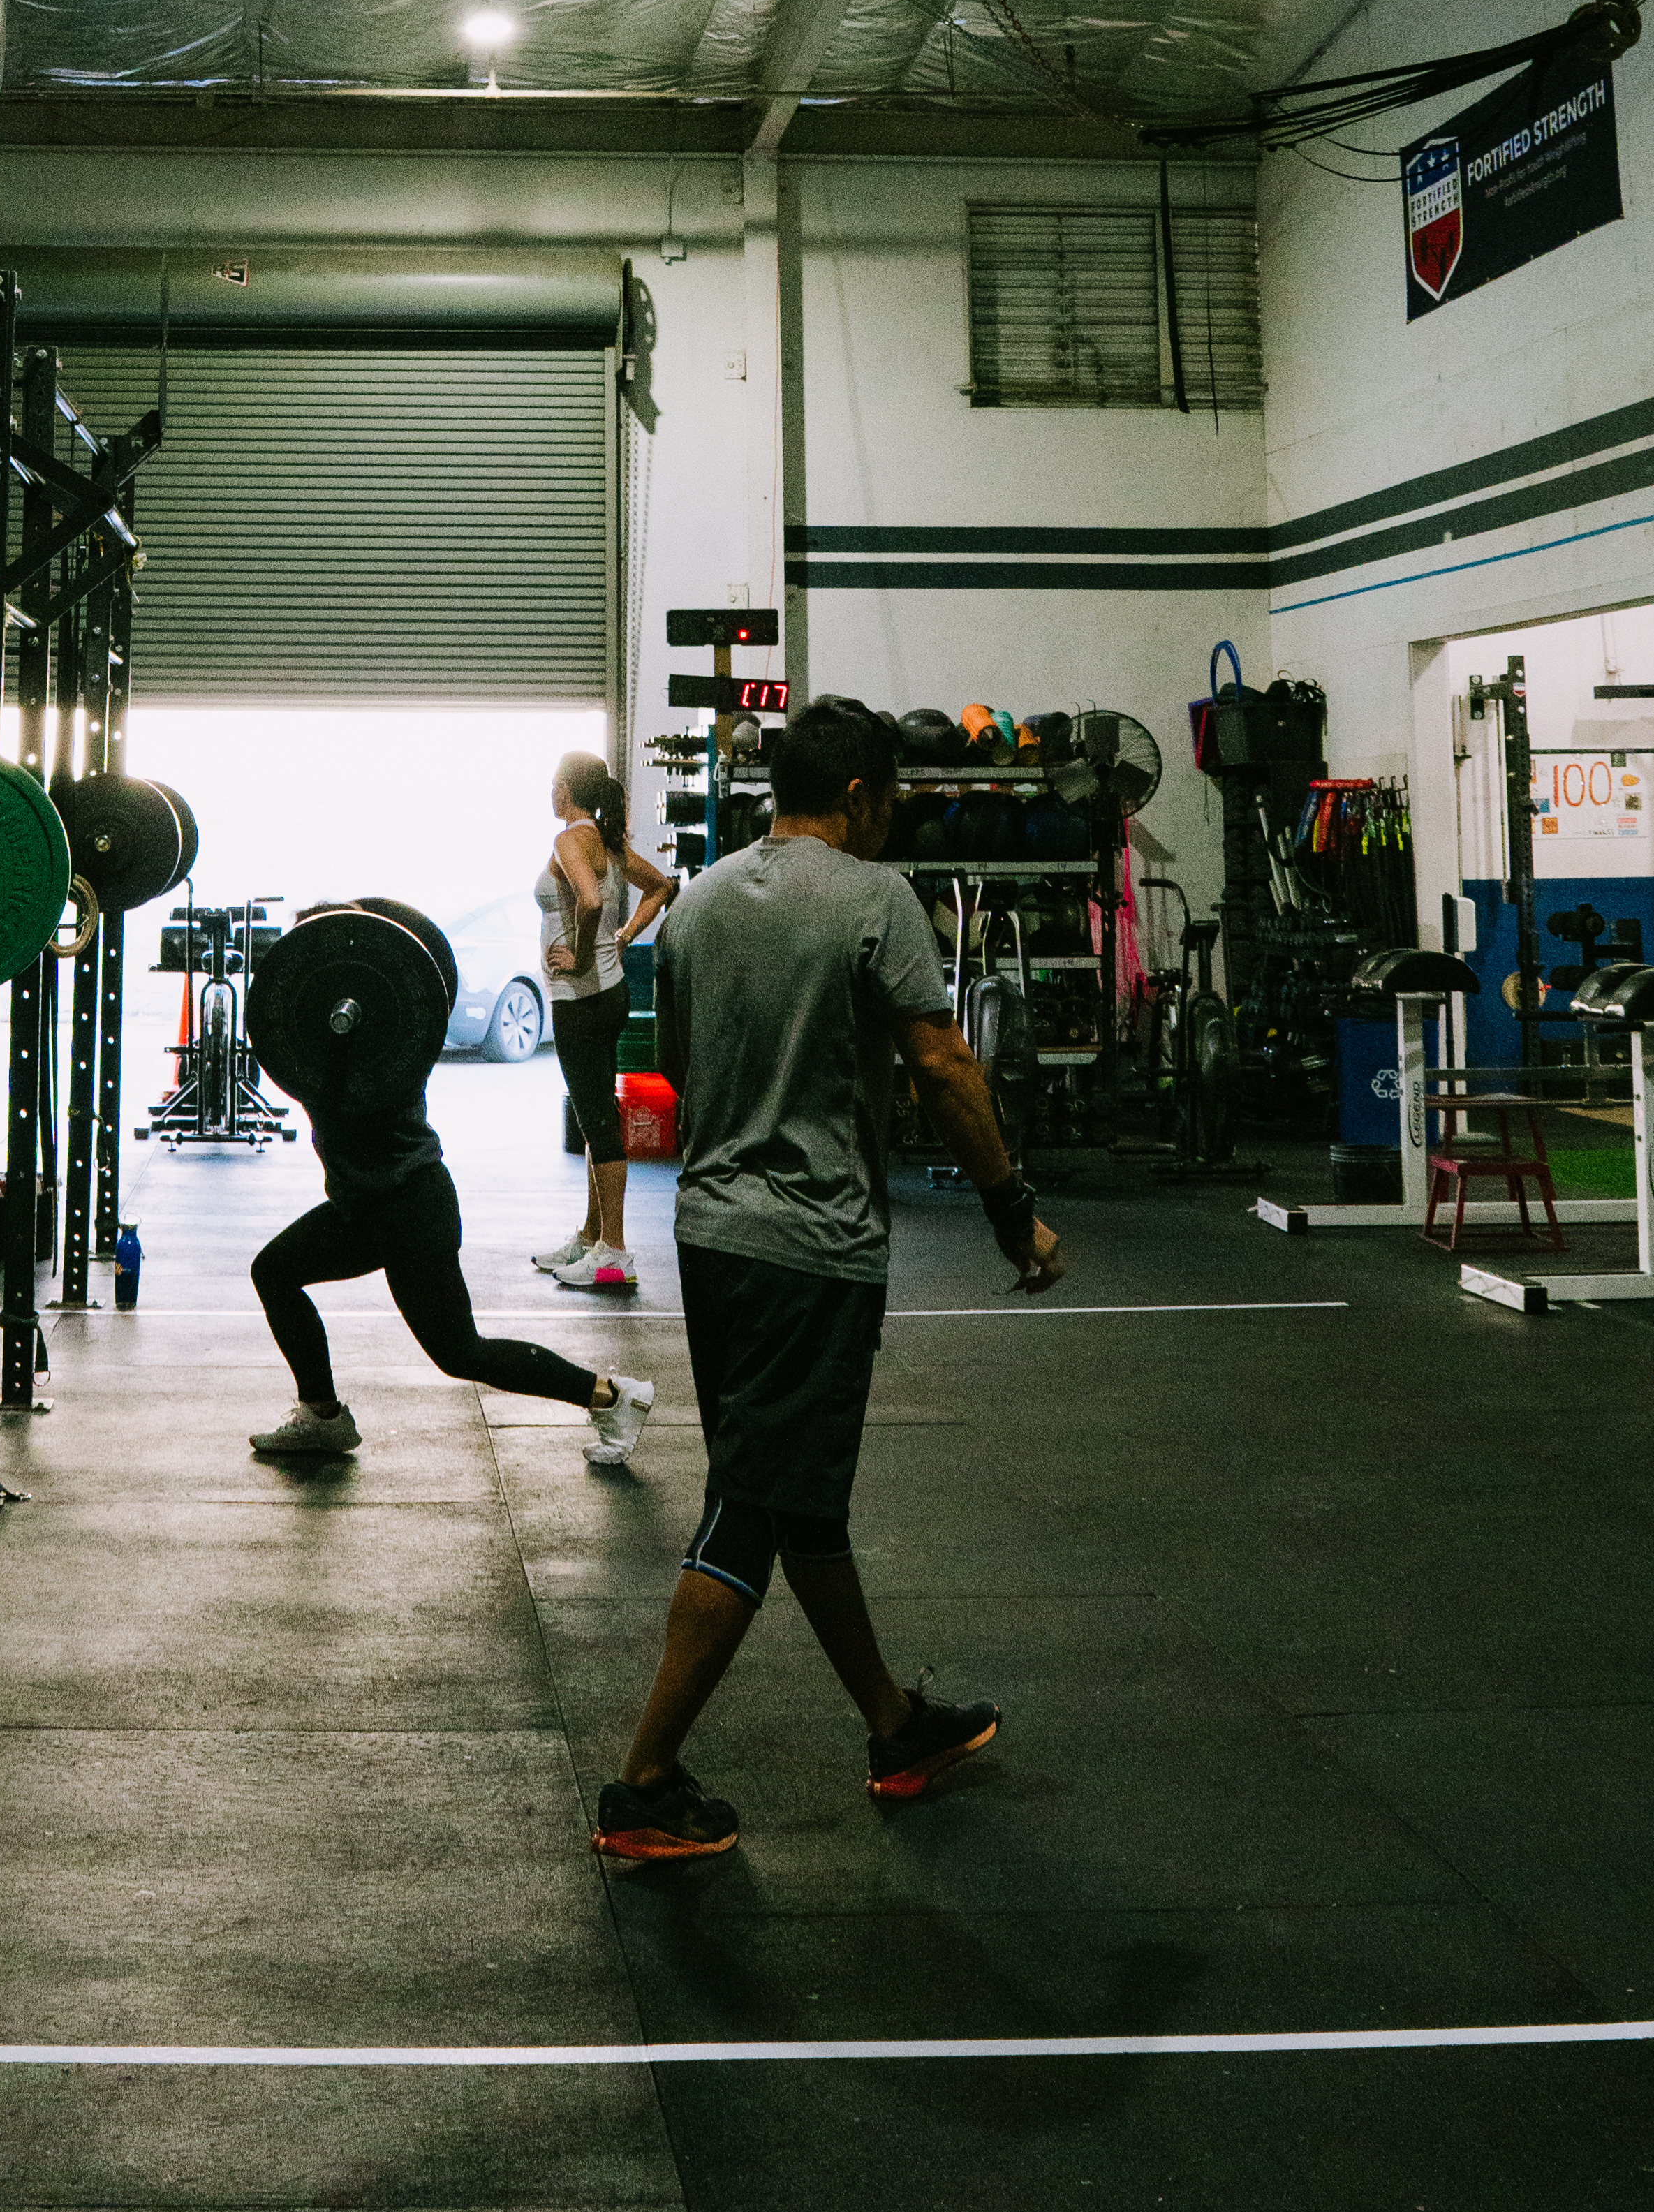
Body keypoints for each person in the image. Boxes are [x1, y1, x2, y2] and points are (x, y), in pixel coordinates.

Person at [591, 693, 1061, 1868]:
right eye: (890, 800)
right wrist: (1013, 1213)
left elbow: (672, 1069)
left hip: (710, 1234)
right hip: (811, 1247)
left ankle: (895, 1725)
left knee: (795, 1498)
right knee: (751, 1507)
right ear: (859, 796)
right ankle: (643, 1780)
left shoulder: (693, 903)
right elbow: (945, 1065)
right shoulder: (873, 897)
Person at [249, 902, 657, 1478]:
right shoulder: (328, 1043)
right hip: (365, 1206)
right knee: (275, 1269)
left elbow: (324, 1074)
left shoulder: (371, 1052)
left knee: (462, 1353)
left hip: (409, 1207)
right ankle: (322, 1414)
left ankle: (613, 1396)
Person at [530, 751, 676, 1299]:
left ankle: (614, 1254)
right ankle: (592, 1235)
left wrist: (587, 957)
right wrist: (624, 936)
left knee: (597, 1118)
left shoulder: (570, 840)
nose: (549, 790)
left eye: (552, 781)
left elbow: (589, 899)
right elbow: (662, 886)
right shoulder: (608, 845)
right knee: (597, 1117)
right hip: (610, 996)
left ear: (566, 789)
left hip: (583, 998)